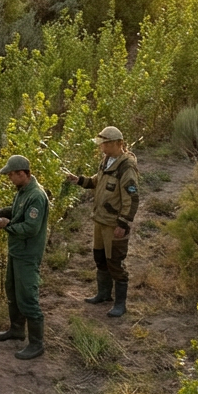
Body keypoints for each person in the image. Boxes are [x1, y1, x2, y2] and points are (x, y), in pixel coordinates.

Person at [65, 125, 139, 318]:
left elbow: (132, 199)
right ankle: (104, 294)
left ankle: (120, 304)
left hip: (114, 223)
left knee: (115, 261)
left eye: (105, 144)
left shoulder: (126, 167)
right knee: (100, 258)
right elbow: (98, 181)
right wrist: (79, 180)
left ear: (117, 144)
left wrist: (123, 224)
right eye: (102, 144)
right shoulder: (107, 161)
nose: (102, 148)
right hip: (100, 220)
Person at [0, 155, 50, 360]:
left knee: (27, 297)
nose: (10, 179)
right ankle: (16, 329)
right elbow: (19, 212)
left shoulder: (36, 196)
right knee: (13, 292)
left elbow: (31, 227)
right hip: (17, 251)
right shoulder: (22, 192)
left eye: (11, 175)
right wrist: (2, 212)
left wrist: (7, 224)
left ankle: (36, 343)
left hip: (27, 253)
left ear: (23, 173)